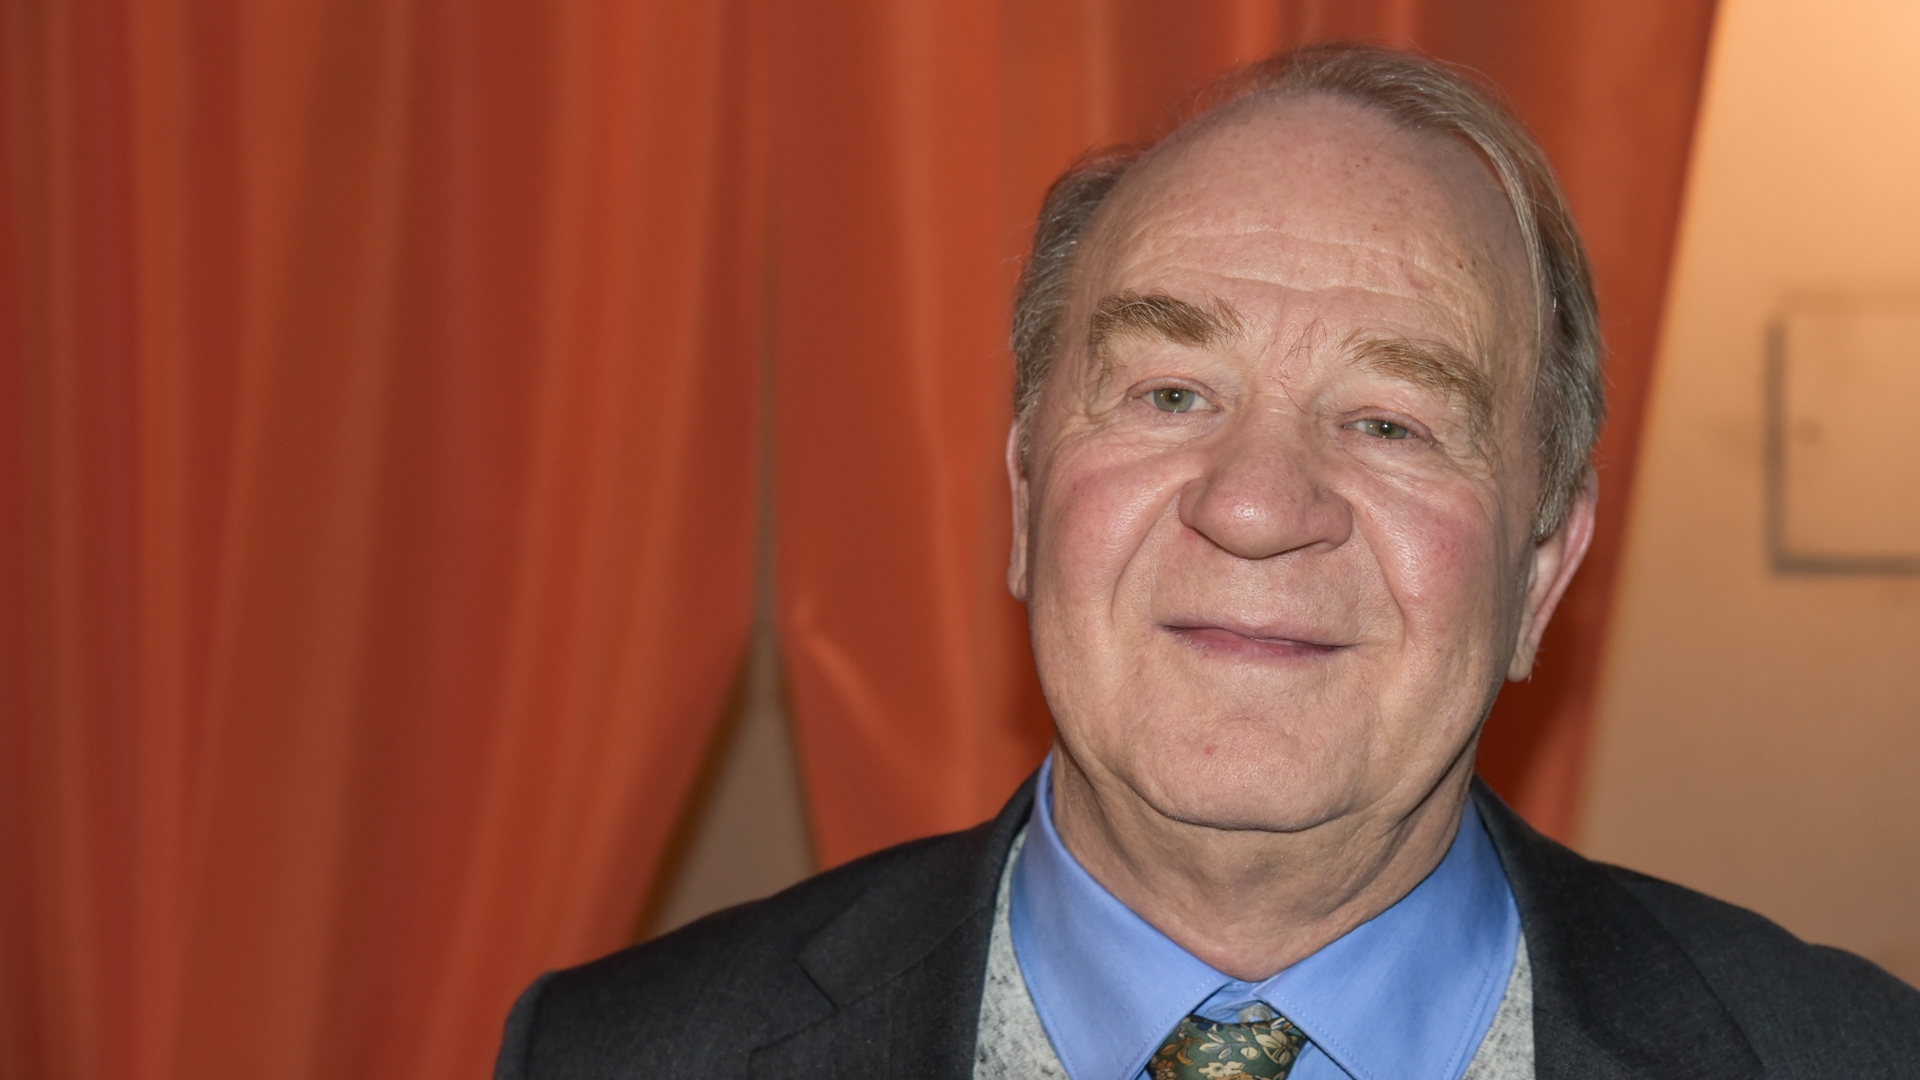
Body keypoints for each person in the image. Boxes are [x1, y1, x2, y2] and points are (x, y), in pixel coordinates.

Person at [493, 43, 1920, 1080]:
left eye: (1390, 419)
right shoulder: (618, 1056)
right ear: (1024, 494)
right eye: (1170, 392)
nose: (1254, 504)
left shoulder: (1849, 1057)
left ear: (1542, 569)